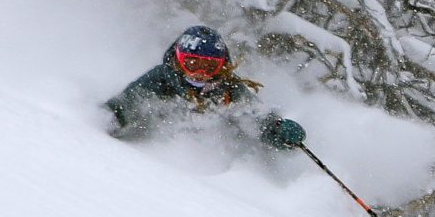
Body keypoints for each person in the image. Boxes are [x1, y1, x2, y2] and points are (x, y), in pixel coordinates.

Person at [105, 25, 306, 150]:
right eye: (192, 63)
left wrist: (276, 129)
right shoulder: (161, 79)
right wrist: (104, 122)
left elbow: (255, 114)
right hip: (155, 153)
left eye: (209, 66)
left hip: (208, 156)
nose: (200, 72)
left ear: (221, 65)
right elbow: (125, 104)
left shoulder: (228, 87)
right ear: (178, 59)